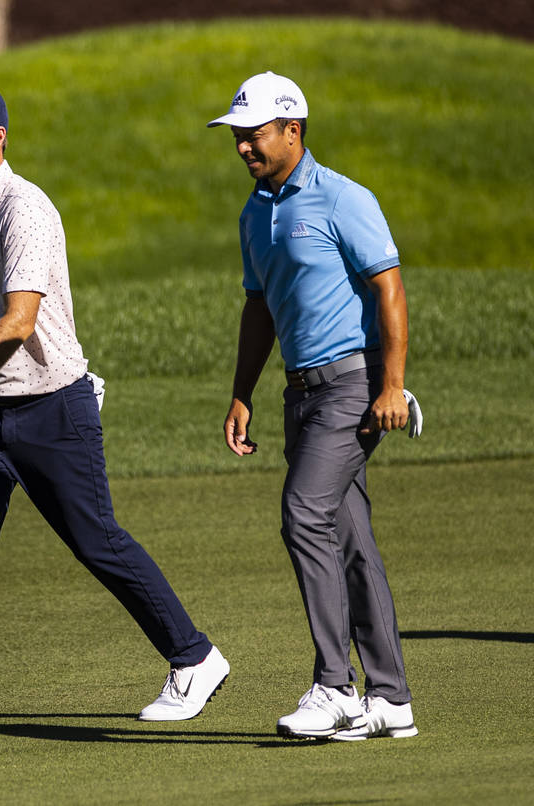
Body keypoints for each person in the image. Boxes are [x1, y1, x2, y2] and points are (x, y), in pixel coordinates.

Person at [0, 80, 228, 737]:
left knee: (96, 541)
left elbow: (17, 322)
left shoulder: (26, 209)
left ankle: (195, 657)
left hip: (53, 407)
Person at [208, 71, 419, 741]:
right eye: (237, 136)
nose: (243, 146)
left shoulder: (342, 198)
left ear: (293, 130)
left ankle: (336, 687)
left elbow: (389, 288)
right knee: (350, 537)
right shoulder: (254, 212)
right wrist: (242, 391)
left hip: (353, 388)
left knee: (304, 513)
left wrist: (393, 385)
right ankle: (391, 698)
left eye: (254, 135)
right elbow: (259, 306)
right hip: (299, 394)